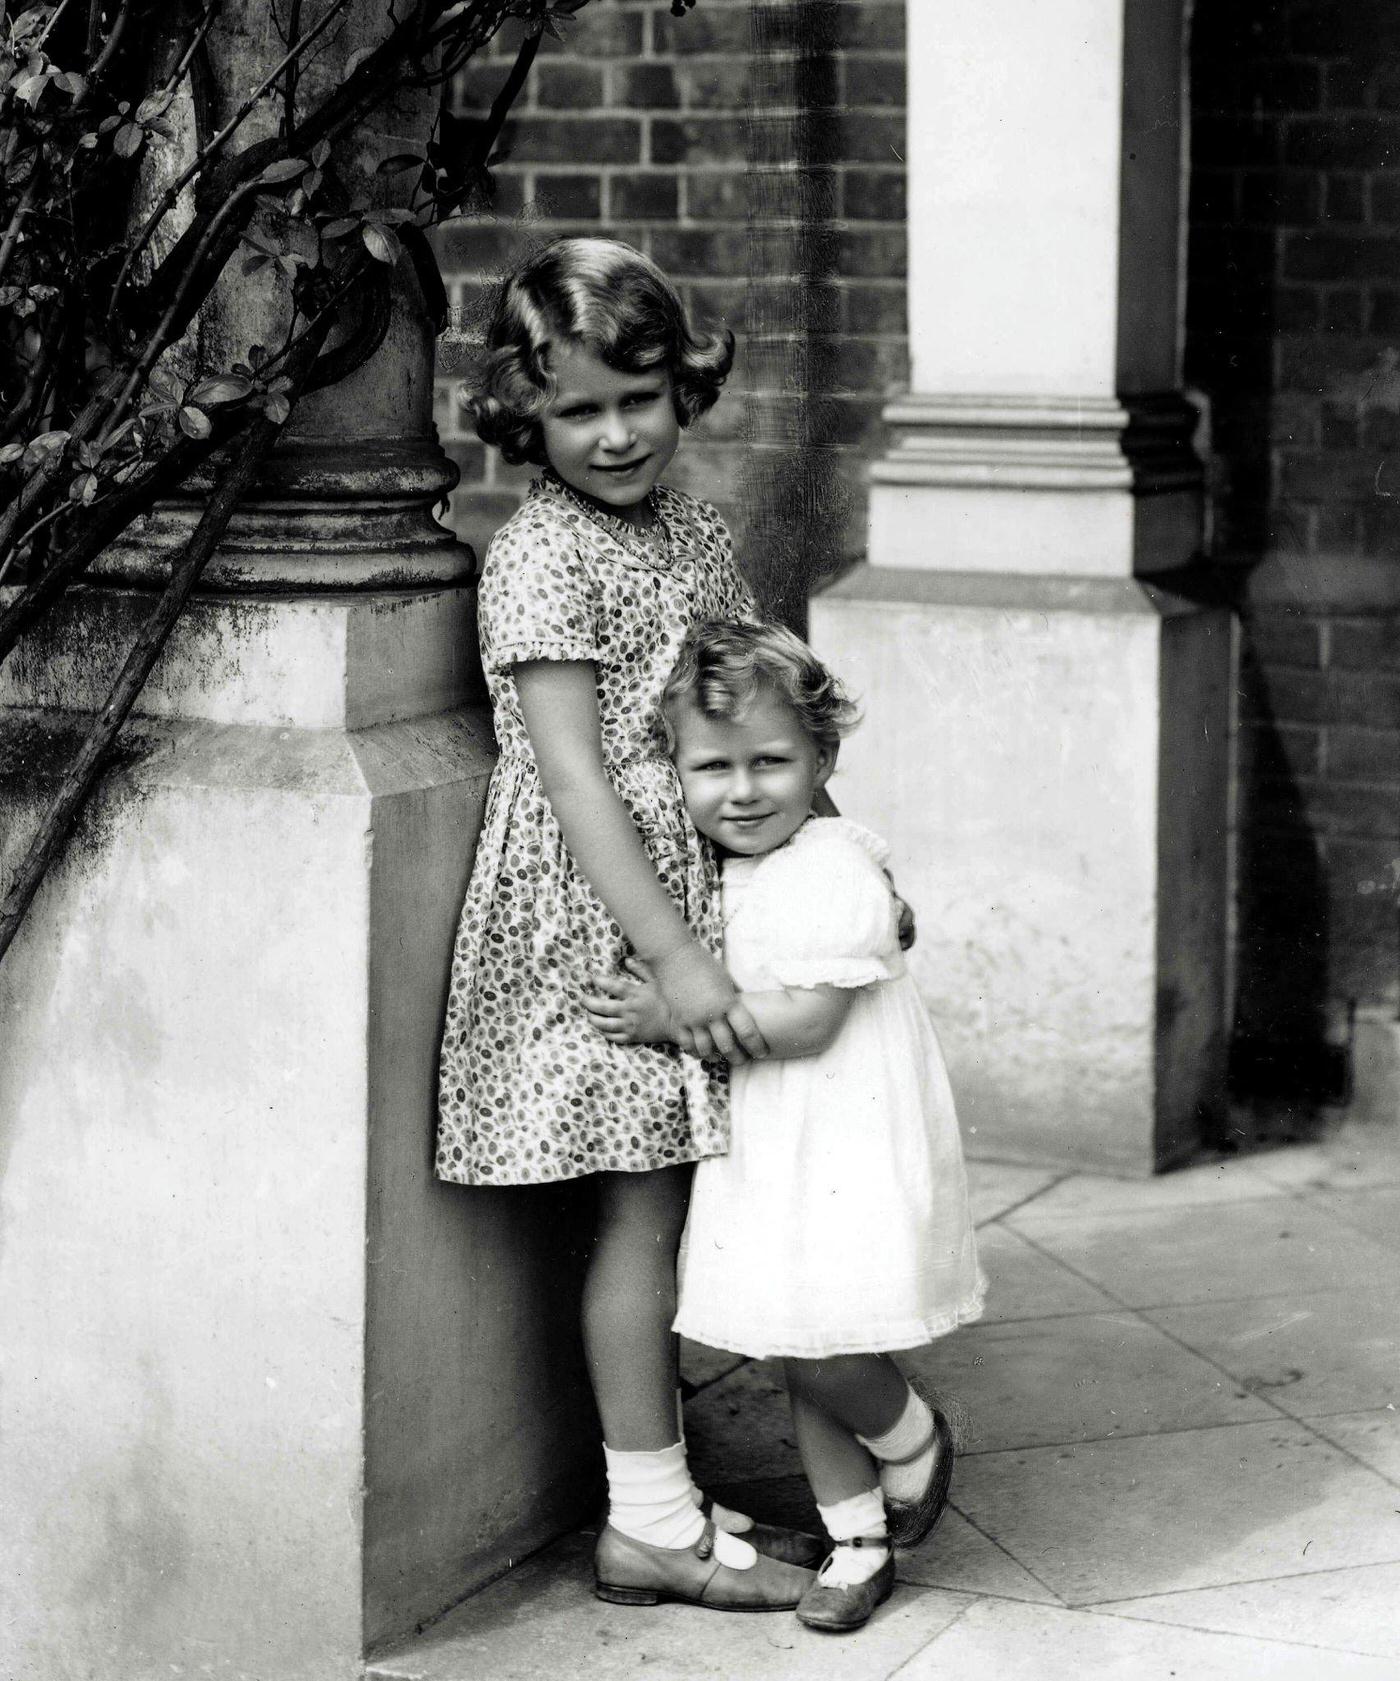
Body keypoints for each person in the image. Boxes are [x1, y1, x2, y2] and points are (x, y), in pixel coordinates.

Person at [435, 237, 821, 1612]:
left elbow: (753, 710)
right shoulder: (539, 555)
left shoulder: (696, 532)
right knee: (642, 1216)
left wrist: (827, 848)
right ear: (523, 415)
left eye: (637, 397)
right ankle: (649, 1515)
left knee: (720, 1185)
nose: (613, 433)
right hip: (601, 919)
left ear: (681, 390)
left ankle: (784, 1440)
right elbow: (572, 772)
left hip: (702, 883)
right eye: (577, 407)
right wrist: (669, 952)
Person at [585, 621, 987, 1633]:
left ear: (822, 762)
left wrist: (668, 1016)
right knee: (792, 1332)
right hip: (776, 1144)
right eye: (712, 768)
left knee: (828, 1341)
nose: (744, 790)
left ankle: (908, 1437)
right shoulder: (721, 869)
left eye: (772, 762)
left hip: (842, 1137)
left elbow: (806, 1022)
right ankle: (855, 1541)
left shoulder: (832, 866)